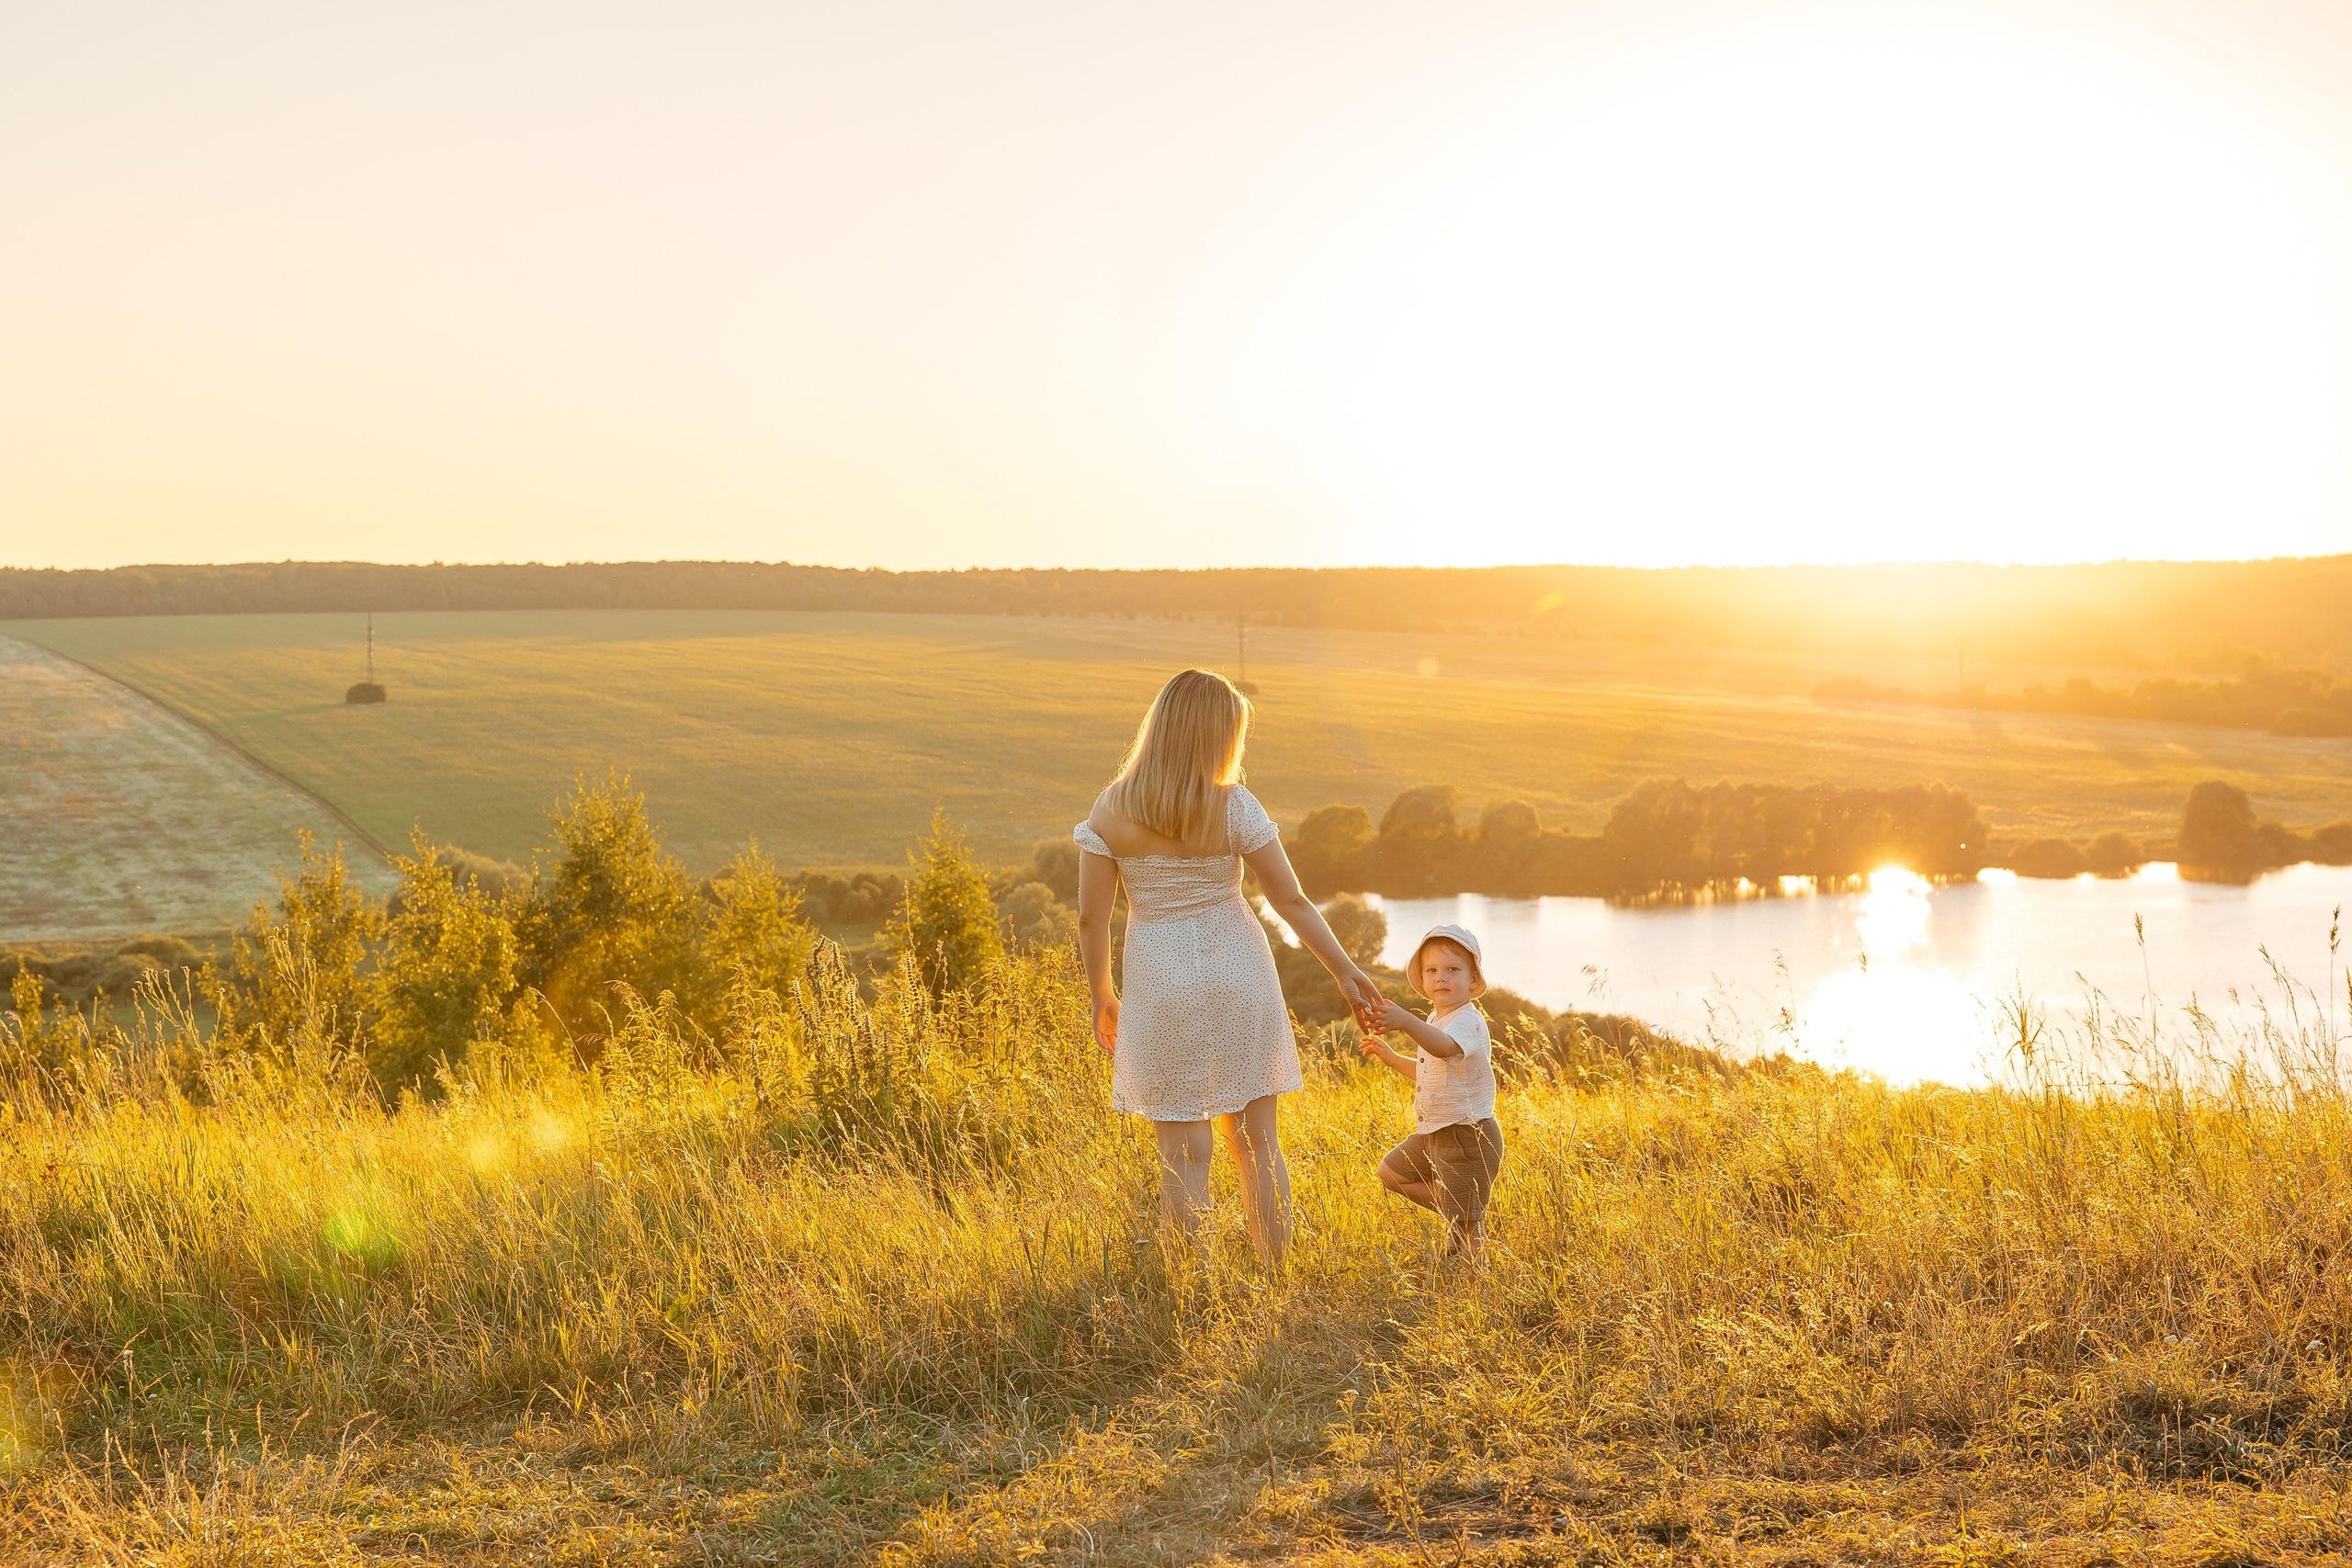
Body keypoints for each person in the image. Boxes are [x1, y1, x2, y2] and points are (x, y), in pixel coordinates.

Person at [1075, 669, 1382, 1264]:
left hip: (1159, 981)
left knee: (1185, 1152)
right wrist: (1343, 968)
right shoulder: (1233, 804)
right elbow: (1290, 899)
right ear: (1218, 737)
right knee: (1257, 1142)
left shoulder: (1112, 807)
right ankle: (1273, 1274)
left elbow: (1093, 919)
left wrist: (1102, 995)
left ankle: (1194, 1288)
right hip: (1238, 972)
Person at [1361, 924, 1504, 1258]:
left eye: (1453, 970)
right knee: (1391, 1173)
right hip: (1435, 1132)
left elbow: (1444, 1049)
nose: (1442, 977)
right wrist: (1392, 1057)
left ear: (1473, 980)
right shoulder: (1435, 1020)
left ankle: (1475, 1286)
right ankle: (1456, 1202)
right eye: (1433, 970)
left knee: (1469, 1228)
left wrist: (1407, 1023)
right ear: (1423, 981)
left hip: (1466, 1135)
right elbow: (1430, 1070)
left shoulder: (1467, 1020)